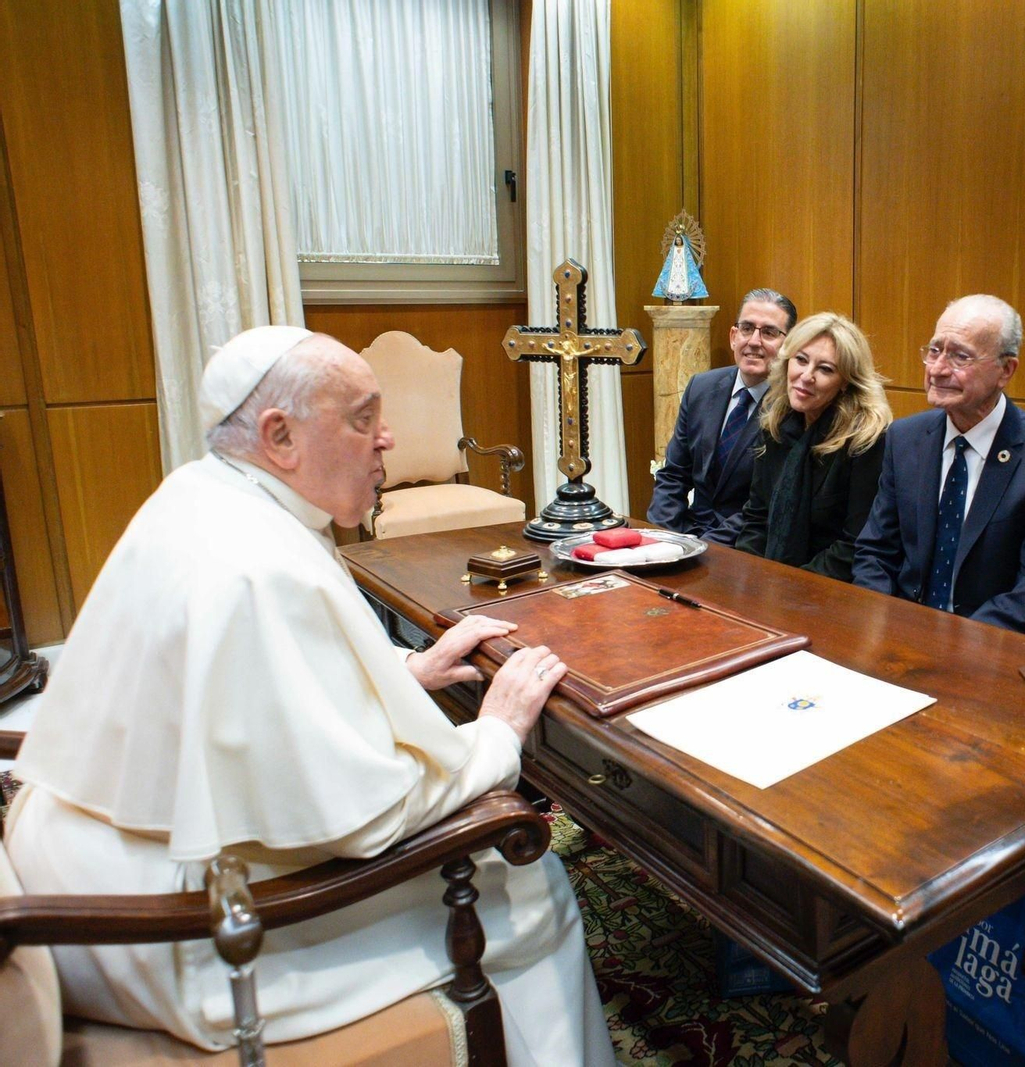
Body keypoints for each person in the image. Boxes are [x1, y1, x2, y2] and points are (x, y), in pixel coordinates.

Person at [6, 327, 614, 1065]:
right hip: (172, 934)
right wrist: (495, 733)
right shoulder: (256, 567)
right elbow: (370, 816)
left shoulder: (202, 494)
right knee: (525, 879)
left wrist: (401, 674)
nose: (387, 437)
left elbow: (245, 700)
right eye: (362, 417)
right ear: (280, 435)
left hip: (83, 868)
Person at [853, 294, 1025, 631]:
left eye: (960, 356)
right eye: (934, 350)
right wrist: (883, 622)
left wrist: (958, 644)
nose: (938, 369)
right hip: (898, 630)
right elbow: (875, 551)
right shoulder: (904, 438)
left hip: (987, 643)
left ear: (1006, 370)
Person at [736, 312, 892, 581]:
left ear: (845, 382)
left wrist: (786, 588)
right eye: (801, 360)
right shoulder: (776, 423)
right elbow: (756, 518)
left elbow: (853, 546)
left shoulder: (866, 439)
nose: (806, 376)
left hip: (829, 589)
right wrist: (751, 578)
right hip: (770, 584)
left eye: (825, 369)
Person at [647, 288, 797, 544]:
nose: (754, 341)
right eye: (747, 328)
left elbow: (768, 505)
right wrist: (665, 539)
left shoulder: (792, 407)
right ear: (733, 336)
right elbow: (673, 476)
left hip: (748, 548)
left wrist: (704, 549)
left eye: (769, 332)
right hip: (687, 536)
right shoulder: (701, 388)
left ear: (789, 345)